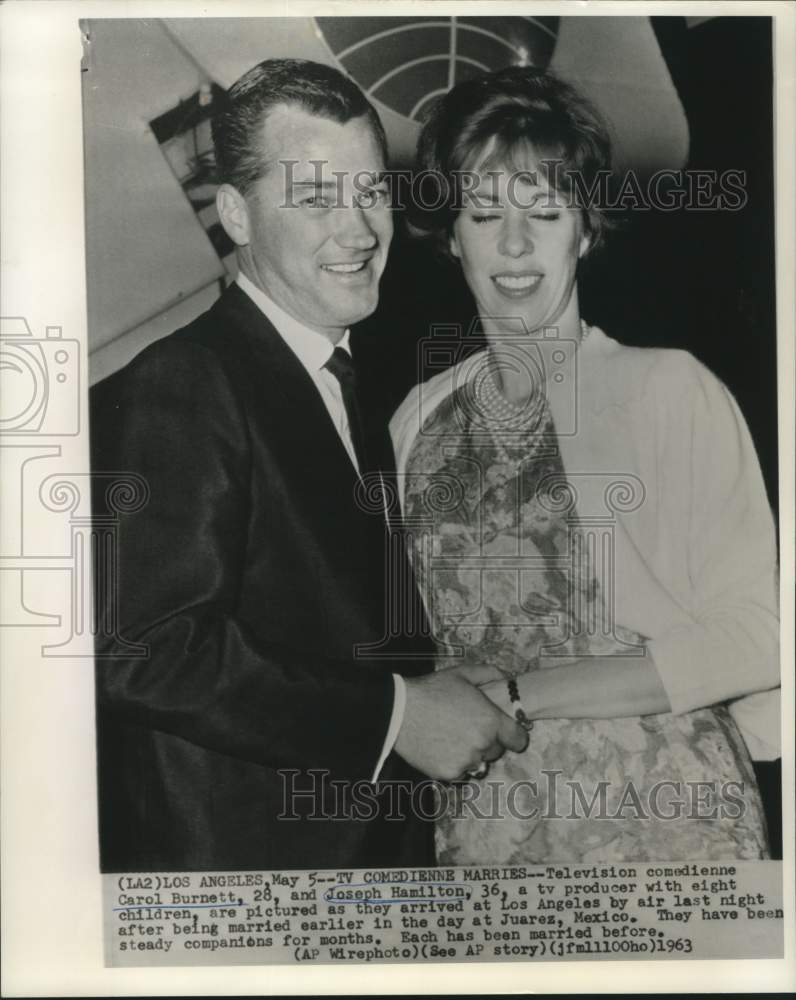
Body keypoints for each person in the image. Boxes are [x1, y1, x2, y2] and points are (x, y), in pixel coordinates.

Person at [91, 58, 528, 873]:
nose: (359, 230)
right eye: (316, 197)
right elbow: (145, 648)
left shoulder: (339, 383)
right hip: (248, 890)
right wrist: (398, 715)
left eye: (369, 191)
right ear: (237, 215)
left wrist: (431, 683)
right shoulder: (185, 380)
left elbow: (318, 625)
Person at [391, 66, 780, 863]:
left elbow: (761, 637)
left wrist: (518, 697)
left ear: (586, 229)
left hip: (669, 818)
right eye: (485, 211)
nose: (514, 243)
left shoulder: (668, 387)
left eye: (545, 210)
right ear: (450, 233)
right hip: (488, 828)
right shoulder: (416, 420)